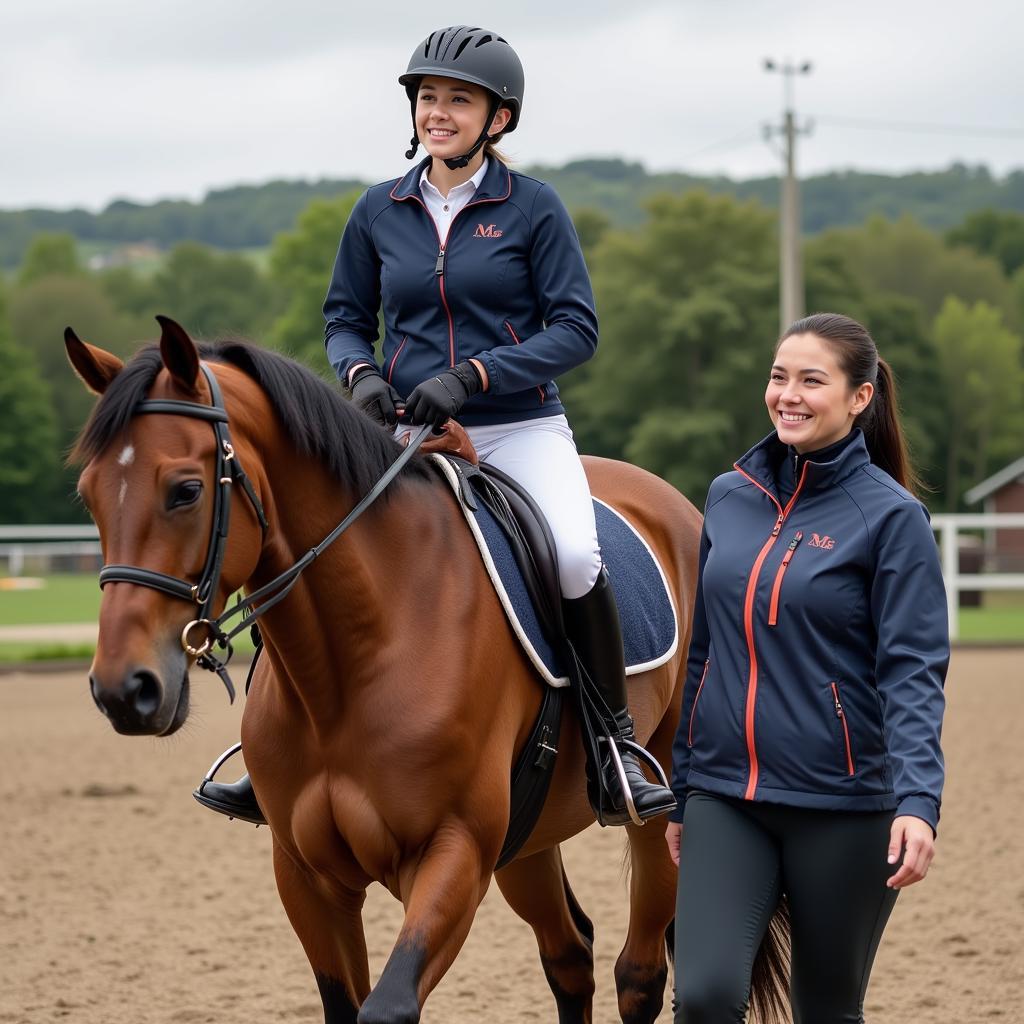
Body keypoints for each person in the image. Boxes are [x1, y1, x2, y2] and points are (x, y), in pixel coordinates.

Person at [196, 24, 674, 827]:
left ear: (498, 119)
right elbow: (345, 317)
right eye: (428, 99)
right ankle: (276, 748)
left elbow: (575, 329)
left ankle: (612, 743)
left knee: (570, 550)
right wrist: (363, 379)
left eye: (459, 100)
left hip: (517, 426)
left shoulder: (534, 208)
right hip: (402, 428)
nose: (438, 113)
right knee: (320, 549)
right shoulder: (379, 210)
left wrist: (475, 376)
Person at [665, 313, 948, 1023]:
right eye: (778, 376)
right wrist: (685, 784)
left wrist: (918, 802)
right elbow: (704, 651)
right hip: (728, 796)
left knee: (826, 1010)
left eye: (811, 380)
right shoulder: (730, 496)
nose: (788, 394)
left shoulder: (891, 518)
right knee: (702, 996)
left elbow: (913, 670)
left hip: (845, 806)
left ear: (859, 398)